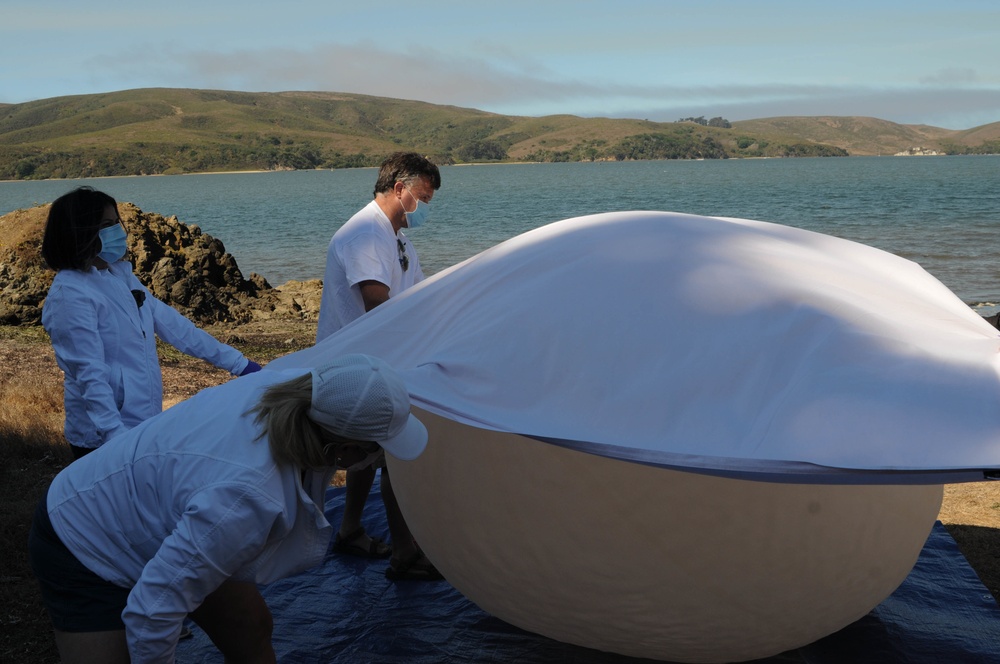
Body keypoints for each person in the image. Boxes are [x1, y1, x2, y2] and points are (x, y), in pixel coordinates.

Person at [28, 353, 428, 663]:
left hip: (172, 512)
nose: (380, 462)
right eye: (380, 451)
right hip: (84, 538)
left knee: (250, 629)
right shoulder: (246, 497)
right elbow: (152, 612)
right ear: (343, 451)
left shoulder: (301, 393)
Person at [40, 186, 262, 460]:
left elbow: (177, 328)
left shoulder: (118, 276)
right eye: (106, 225)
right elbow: (88, 374)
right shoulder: (70, 295)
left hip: (141, 424)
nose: (118, 232)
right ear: (79, 232)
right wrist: (114, 437)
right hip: (101, 439)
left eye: (116, 223)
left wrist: (239, 364)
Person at [317, 152, 441, 580]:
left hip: (380, 359)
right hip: (358, 365)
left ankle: (350, 528)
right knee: (394, 457)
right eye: (422, 198)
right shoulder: (367, 234)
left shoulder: (397, 235)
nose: (425, 208)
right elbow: (376, 303)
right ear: (399, 188)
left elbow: (418, 294)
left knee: (367, 455)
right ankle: (405, 553)